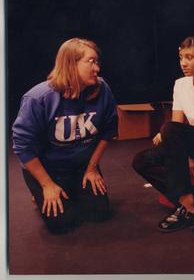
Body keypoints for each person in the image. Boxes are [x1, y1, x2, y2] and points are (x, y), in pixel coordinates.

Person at [12, 38, 118, 234]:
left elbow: (108, 130)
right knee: (63, 223)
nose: (97, 68)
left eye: (97, 62)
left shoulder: (102, 89)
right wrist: (47, 185)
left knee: (100, 213)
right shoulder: (38, 98)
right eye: (91, 61)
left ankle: (72, 188)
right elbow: (22, 146)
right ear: (71, 63)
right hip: (48, 170)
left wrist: (92, 168)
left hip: (82, 166)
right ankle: (39, 190)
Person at [132, 35, 194, 233]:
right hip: (187, 141)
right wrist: (184, 152)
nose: (184, 63)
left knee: (168, 129)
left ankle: (186, 206)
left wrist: (179, 143)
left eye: (190, 57)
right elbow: (177, 122)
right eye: (181, 57)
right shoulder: (180, 84)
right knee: (140, 160)